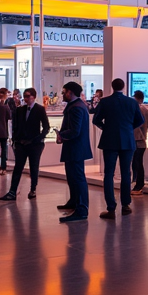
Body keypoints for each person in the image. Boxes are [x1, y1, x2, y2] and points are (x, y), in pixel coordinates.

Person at [92, 78, 144, 220]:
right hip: (127, 140)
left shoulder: (105, 102)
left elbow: (96, 120)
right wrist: (128, 128)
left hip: (109, 140)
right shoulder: (132, 102)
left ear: (112, 87)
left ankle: (111, 207)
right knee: (126, 173)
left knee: (109, 174)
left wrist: (106, 128)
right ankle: (126, 205)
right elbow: (140, 120)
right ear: (124, 87)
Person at [1, 87, 50, 201]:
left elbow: (46, 126)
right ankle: (12, 191)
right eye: (25, 96)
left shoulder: (39, 109)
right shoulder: (20, 110)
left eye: (28, 96)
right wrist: (15, 140)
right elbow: (16, 126)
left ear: (33, 97)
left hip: (34, 144)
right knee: (18, 167)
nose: (26, 98)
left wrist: (39, 139)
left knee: (34, 167)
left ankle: (33, 189)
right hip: (21, 143)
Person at [56, 82, 92, 222]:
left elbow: (75, 131)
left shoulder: (76, 108)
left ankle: (81, 209)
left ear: (71, 92)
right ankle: (74, 202)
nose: (62, 94)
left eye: (64, 91)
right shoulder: (77, 106)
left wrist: (62, 135)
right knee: (73, 177)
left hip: (75, 148)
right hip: (75, 148)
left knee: (77, 178)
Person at [131, 90, 148, 195]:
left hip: (136, 140)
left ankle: (138, 185)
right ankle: (138, 184)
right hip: (142, 139)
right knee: (138, 162)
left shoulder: (135, 110)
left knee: (137, 163)